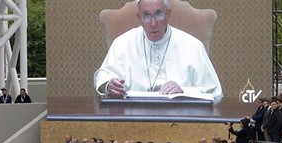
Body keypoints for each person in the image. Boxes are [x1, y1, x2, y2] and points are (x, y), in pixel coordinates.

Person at [94, 0, 222, 101]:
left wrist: (184, 91)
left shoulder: (193, 46)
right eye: (146, 16)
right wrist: (109, 85)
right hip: (133, 120)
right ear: (139, 17)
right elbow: (104, 75)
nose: (153, 23)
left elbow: (214, 92)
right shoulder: (122, 43)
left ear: (168, 14)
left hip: (181, 122)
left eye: (159, 14)